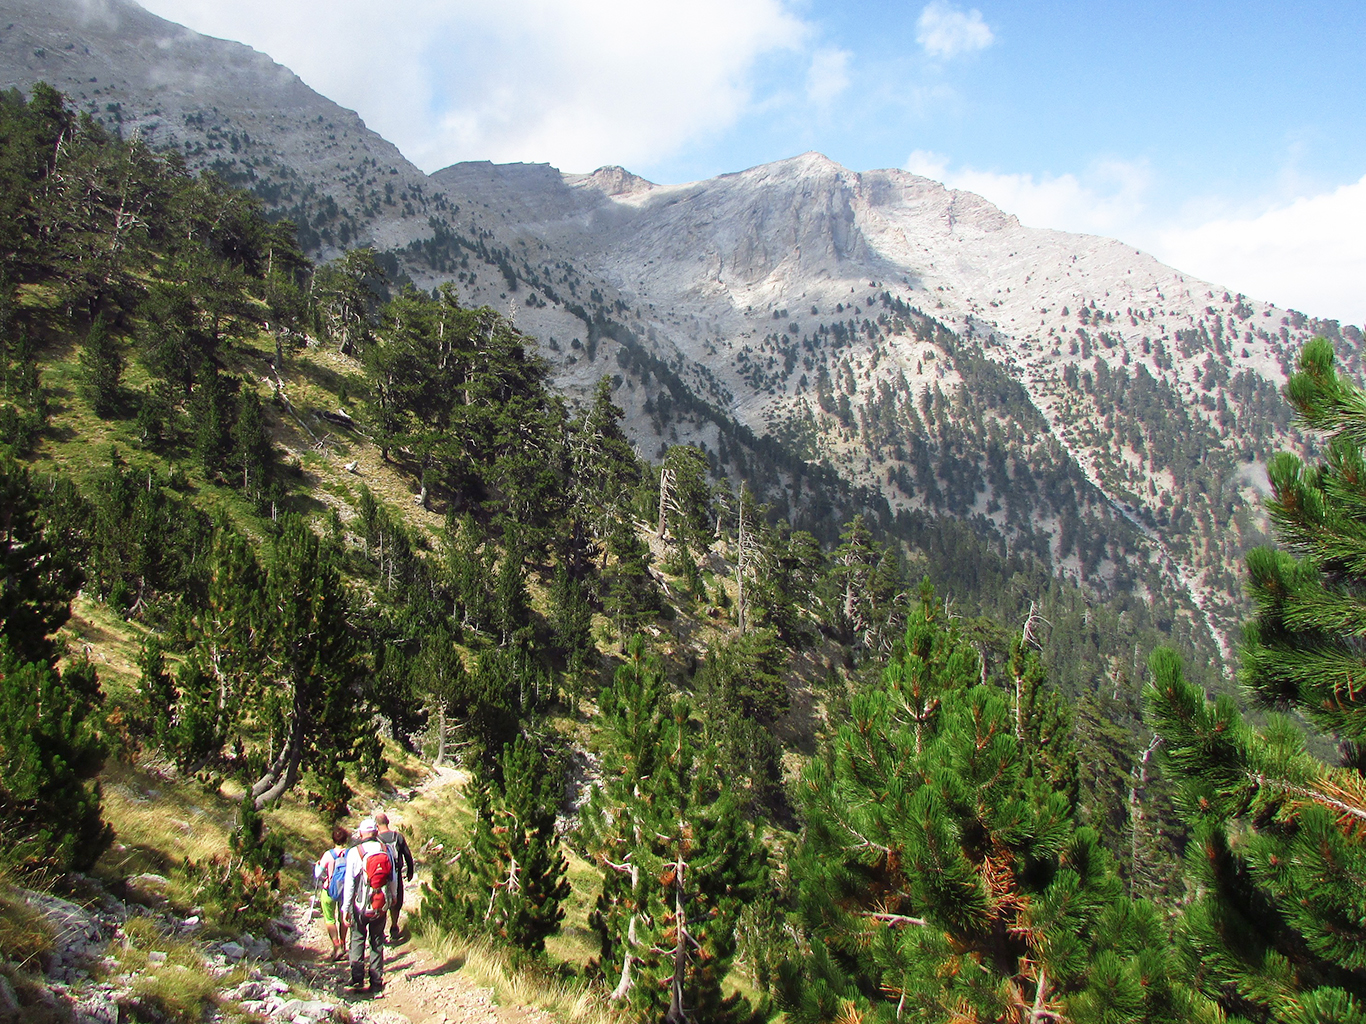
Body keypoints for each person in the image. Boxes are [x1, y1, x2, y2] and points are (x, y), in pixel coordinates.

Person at [342, 818, 397, 996]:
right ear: (375, 832)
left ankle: (357, 978)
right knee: (377, 940)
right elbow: (393, 876)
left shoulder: (355, 852)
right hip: (380, 903)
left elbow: (350, 882)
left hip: (360, 904)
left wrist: (345, 907)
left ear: (361, 833)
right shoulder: (385, 849)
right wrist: (393, 897)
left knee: (357, 938)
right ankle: (376, 980)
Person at [373, 812, 415, 944]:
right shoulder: (398, 837)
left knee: (382, 900)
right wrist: (410, 871)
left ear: (377, 825)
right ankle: (394, 926)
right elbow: (408, 855)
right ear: (388, 822)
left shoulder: (376, 840)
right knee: (396, 901)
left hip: (381, 875)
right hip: (396, 873)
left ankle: (380, 929)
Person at [314, 824, 351, 961]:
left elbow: (318, 874)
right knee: (344, 918)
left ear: (333, 840)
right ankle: (343, 942)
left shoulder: (328, 855)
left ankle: (336, 946)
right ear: (346, 839)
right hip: (346, 891)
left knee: (330, 919)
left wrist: (318, 865)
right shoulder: (350, 853)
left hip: (329, 890)